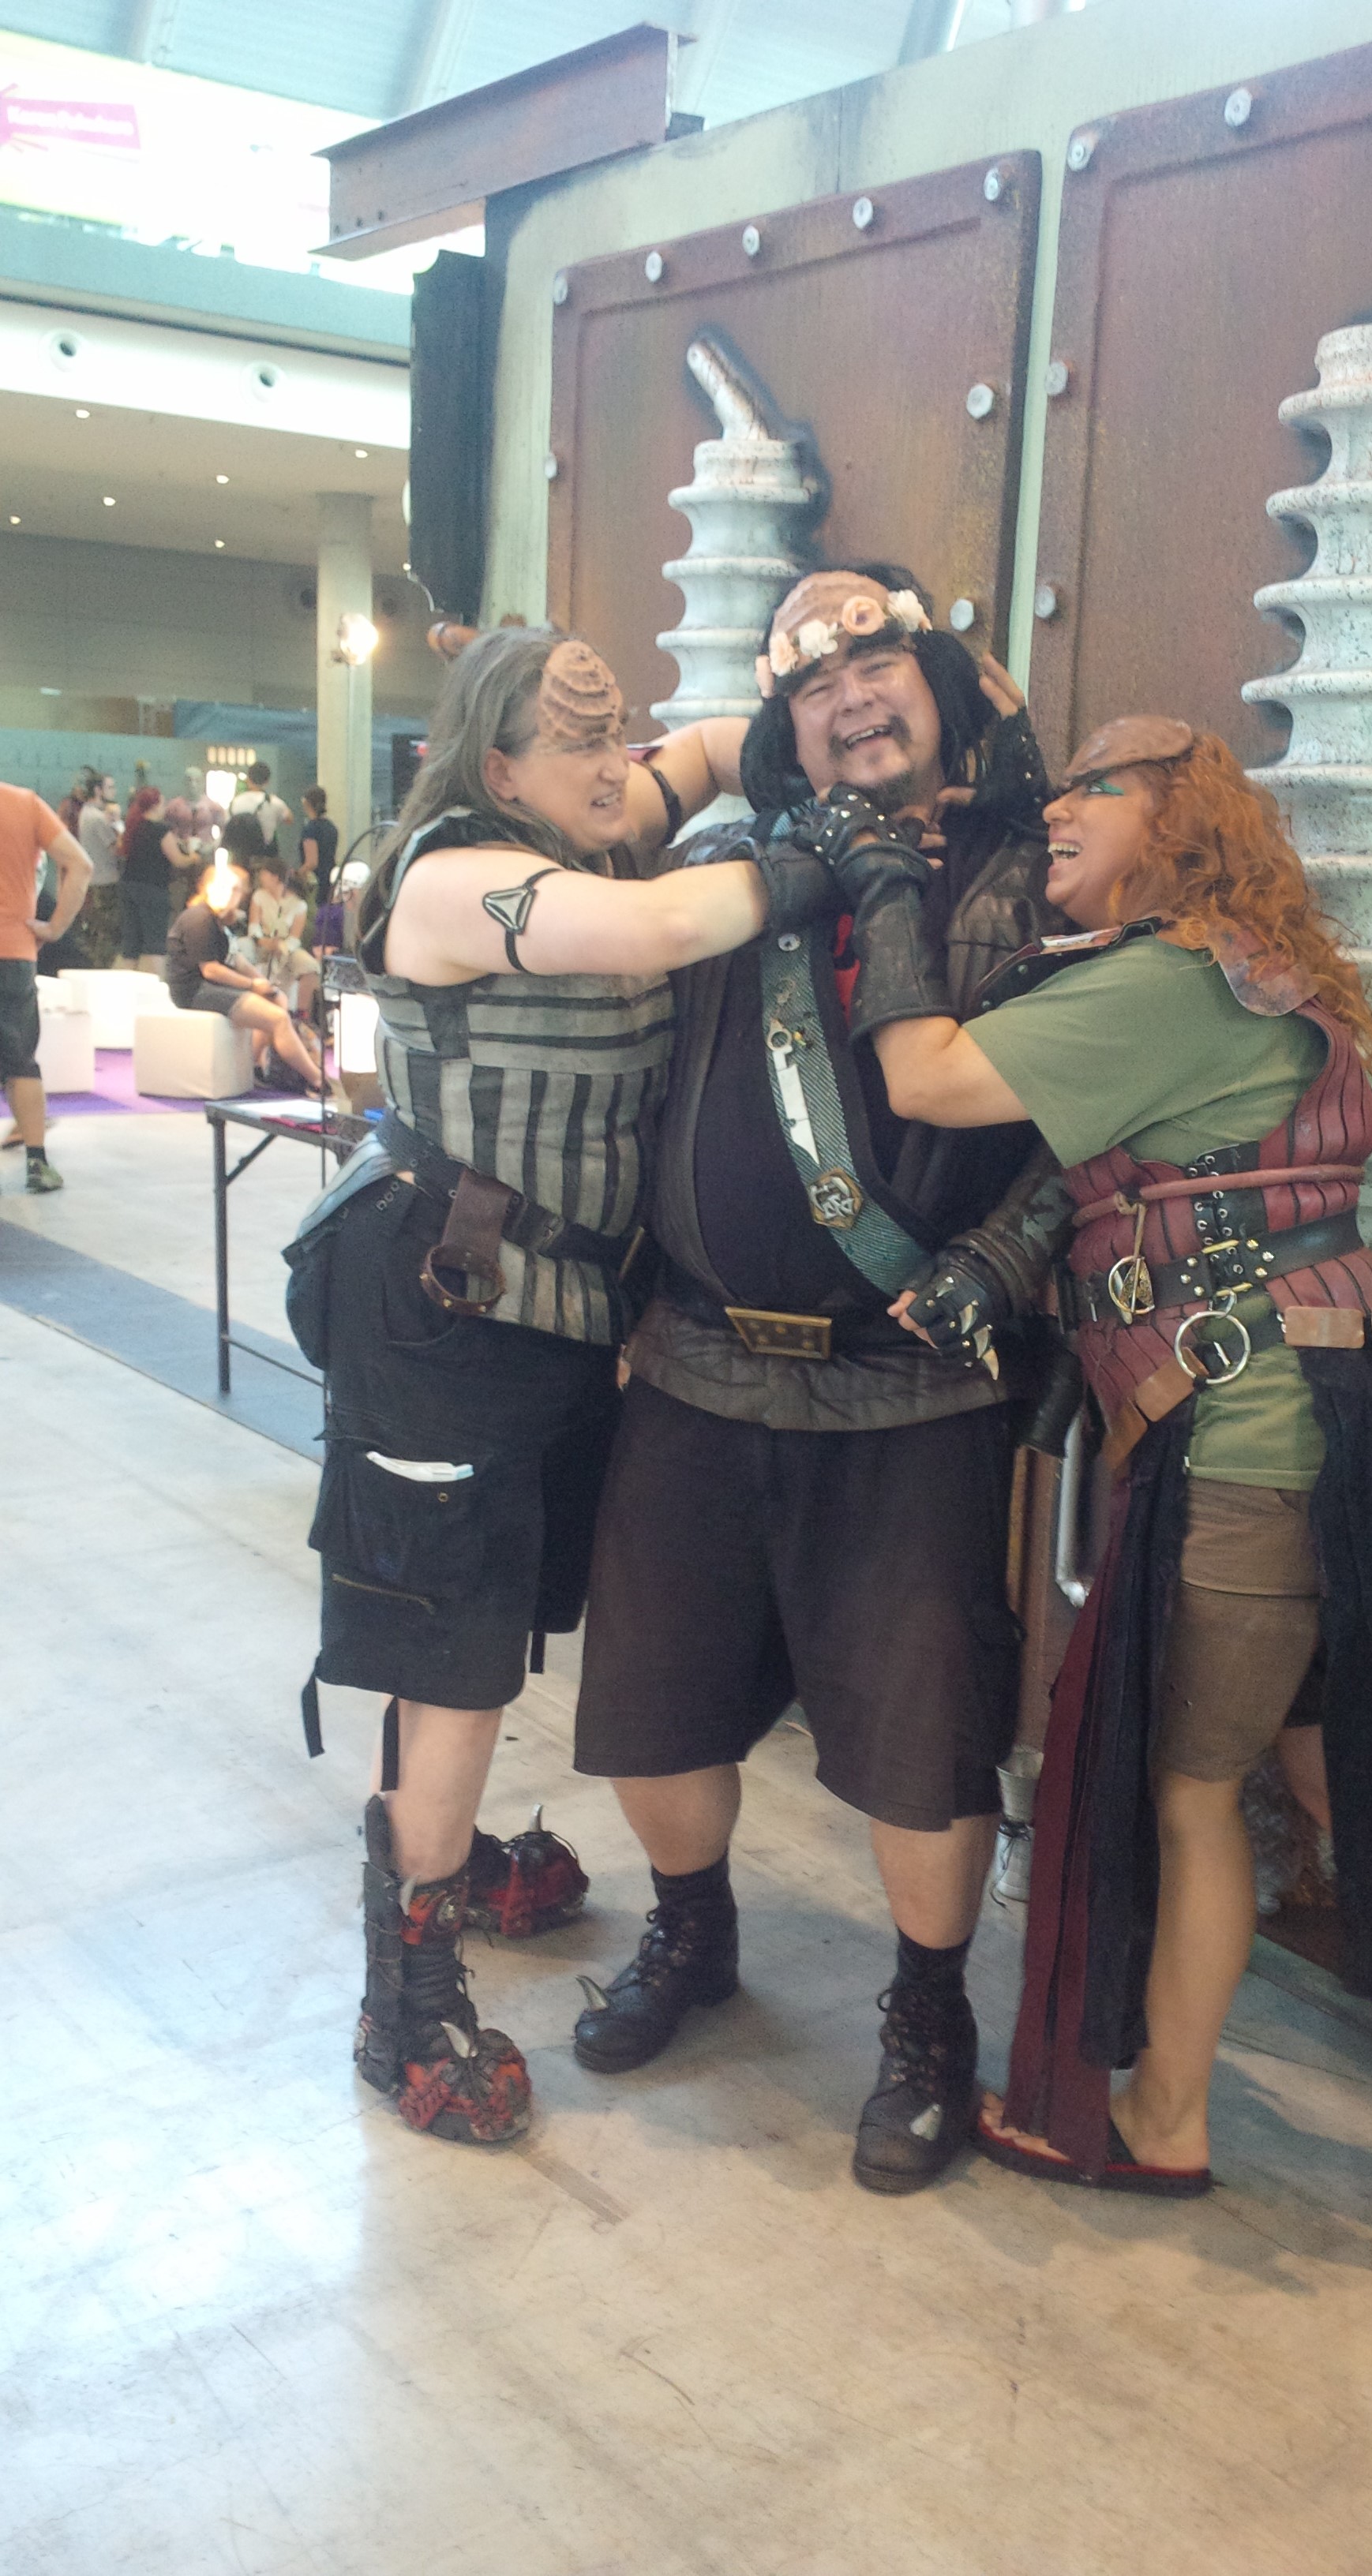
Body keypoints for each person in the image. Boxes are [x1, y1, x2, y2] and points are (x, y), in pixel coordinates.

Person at [849, 713, 1372, 2286]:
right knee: (1348, 1775)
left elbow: (926, 1076)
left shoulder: (1164, 981)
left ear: (1173, 817)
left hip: (1255, 1434)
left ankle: (1163, 2120)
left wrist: (882, 887)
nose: (1058, 810)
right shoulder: (1244, 967)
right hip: (1347, 1405)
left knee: (1197, 1791)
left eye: (1093, 790)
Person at [287, 624, 826, 2153]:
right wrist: (830, 854)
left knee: (501, 1617)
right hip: (437, 1305)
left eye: (617, 727)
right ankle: (405, 2001)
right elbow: (663, 926)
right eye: (578, 738)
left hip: (561, 1312)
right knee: (448, 1658)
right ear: (498, 762)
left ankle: (449, 1857)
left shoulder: (585, 813)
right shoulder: (455, 877)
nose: (617, 759)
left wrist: (799, 716)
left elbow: (700, 754)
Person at [569, 564, 1070, 2194]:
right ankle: (692, 1932)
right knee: (652, 1709)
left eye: (879, 664)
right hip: (695, 1362)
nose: (851, 699)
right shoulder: (727, 877)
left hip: (912, 1386)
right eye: (811, 685)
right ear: (776, 724)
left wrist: (1002, 1264)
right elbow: (579, 870)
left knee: (925, 1735)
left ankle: (928, 2017)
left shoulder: (1033, 877)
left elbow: (1101, 1117)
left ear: (945, 683)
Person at [164, 829, 322, 1095]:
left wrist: (264, 985)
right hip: (195, 991)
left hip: (208, 986)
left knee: (277, 1000)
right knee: (277, 1018)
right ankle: (316, 1080)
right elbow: (211, 970)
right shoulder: (199, 919)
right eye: (233, 890)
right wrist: (252, 985)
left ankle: (251, 1066)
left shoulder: (216, 920)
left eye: (238, 890)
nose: (237, 896)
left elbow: (235, 959)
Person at [0, 777, 91, 1192]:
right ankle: (37, 1164)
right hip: (13, 953)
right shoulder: (25, 804)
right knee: (20, 1061)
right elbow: (81, 865)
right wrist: (55, 928)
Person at [240, 858, 319, 1021]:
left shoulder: (299, 905)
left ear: (275, 877)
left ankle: (301, 1015)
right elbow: (254, 925)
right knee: (240, 948)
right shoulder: (259, 896)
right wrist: (262, 941)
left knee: (311, 966)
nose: (261, 878)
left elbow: (295, 938)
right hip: (261, 942)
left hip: (285, 946)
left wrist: (282, 947)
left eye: (264, 874)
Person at [116, 788, 181, 973]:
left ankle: (126, 982)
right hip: (153, 889)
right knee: (155, 943)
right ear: (155, 806)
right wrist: (194, 857)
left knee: (131, 945)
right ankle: (154, 983)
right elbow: (178, 860)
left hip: (129, 886)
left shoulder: (133, 827)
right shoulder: (161, 830)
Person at [77, 773, 122, 965]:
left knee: (99, 929)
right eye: (110, 787)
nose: (114, 792)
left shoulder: (85, 813)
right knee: (109, 932)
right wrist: (119, 826)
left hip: (95, 879)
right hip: (106, 881)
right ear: (97, 790)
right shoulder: (98, 818)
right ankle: (103, 966)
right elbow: (116, 849)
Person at [230, 761, 291, 859]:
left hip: (242, 856)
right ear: (267, 781)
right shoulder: (274, 802)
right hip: (266, 856)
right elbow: (289, 819)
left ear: (248, 779)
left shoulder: (236, 802)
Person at [165, 767, 227, 852]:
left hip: (206, 850)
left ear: (203, 783)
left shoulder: (213, 807)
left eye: (197, 781)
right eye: (189, 780)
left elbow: (224, 830)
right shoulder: (173, 807)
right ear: (184, 782)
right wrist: (177, 843)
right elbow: (166, 832)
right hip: (181, 851)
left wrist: (213, 845)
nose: (193, 785)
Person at [298, 787, 339, 912]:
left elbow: (312, 862)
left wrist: (298, 873)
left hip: (317, 880)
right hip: (331, 875)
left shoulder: (310, 829)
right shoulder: (331, 827)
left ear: (306, 803)